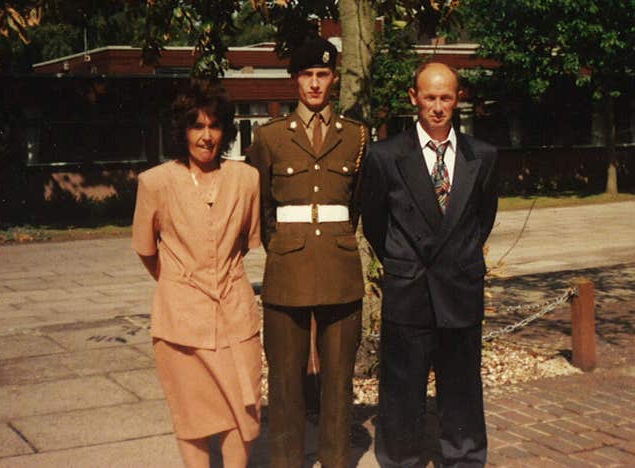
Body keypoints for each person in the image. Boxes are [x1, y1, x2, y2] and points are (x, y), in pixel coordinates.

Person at [361, 62, 498, 467]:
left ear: (458, 99)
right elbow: (374, 224)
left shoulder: (483, 156)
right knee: (402, 391)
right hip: (410, 289)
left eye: (445, 98)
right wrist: (403, 263)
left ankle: (466, 458)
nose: (437, 107)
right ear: (413, 98)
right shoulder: (385, 156)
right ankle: (401, 459)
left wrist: (458, 258)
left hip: (459, 287)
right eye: (429, 97)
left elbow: (481, 220)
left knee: (462, 389)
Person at [248, 35, 368, 468]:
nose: (314, 84)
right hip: (287, 271)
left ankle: (337, 461)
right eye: (306, 75)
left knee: (338, 383)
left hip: (340, 268)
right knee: (285, 382)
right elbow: (261, 209)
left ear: (333, 79)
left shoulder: (355, 135)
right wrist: (283, 247)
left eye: (322, 74)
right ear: (294, 79)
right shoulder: (270, 137)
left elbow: (354, 206)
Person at [131, 81, 262, 468]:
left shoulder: (246, 179)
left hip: (236, 315)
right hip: (180, 324)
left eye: (214, 126)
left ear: (225, 131)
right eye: (196, 126)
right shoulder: (154, 183)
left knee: (245, 411)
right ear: (182, 131)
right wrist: (178, 285)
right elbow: (145, 249)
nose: (206, 136)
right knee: (192, 417)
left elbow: (246, 241)